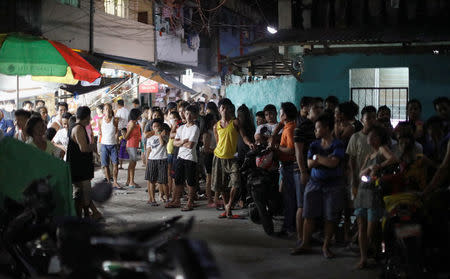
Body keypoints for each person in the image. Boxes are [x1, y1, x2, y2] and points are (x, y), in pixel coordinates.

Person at [294, 113, 345, 259]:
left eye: (317, 128)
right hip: (314, 183)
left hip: (333, 185)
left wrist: (318, 158)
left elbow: (333, 163)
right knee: (308, 214)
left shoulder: (338, 144)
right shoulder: (314, 145)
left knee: (330, 216)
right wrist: (323, 159)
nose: (315, 131)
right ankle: (305, 243)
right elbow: (310, 164)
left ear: (326, 128)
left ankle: (326, 246)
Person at [354, 125, 398, 269]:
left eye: (374, 136)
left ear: (380, 138)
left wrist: (379, 166)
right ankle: (363, 257)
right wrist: (368, 169)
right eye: (369, 136)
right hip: (362, 192)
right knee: (361, 227)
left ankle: (372, 252)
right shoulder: (368, 155)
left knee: (371, 229)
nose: (370, 139)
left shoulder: (381, 149)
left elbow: (393, 159)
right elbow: (360, 174)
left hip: (374, 193)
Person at [212, 98, 254, 218]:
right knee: (222, 186)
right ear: (219, 110)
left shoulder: (235, 123)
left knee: (236, 182)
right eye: (222, 108)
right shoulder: (216, 126)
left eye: (227, 108)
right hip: (219, 158)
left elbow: (244, 136)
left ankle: (229, 205)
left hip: (232, 158)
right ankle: (228, 210)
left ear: (230, 109)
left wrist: (249, 143)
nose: (225, 110)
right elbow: (218, 142)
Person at [291, 97, 323, 254]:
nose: (319, 110)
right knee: (302, 206)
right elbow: (298, 152)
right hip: (301, 170)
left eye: (321, 108)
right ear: (308, 109)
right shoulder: (302, 127)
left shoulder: (316, 126)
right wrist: (303, 171)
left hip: (313, 170)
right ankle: (300, 239)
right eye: (316, 108)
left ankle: (307, 237)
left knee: (309, 205)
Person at [67, 106, 102, 219]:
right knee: (83, 194)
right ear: (87, 117)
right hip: (79, 168)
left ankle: (88, 215)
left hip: (80, 167)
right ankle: (82, 218)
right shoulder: (78, 128)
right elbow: (83, 148)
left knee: (81, 194)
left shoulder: (75, 126)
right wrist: (93, 146)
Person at [166, 105, 201, 211]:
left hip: (190, 158)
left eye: (191, 114)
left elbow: (190, 145)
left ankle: (190, 202)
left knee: (190, 182)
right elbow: (175, 143)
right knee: (178, 180)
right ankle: (176, 200)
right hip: (180, 156)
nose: (188, 116)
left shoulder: (195, 128)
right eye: (186, 113)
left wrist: (181, 143)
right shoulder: (181, 128)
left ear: (195, 116)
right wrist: (183, 141)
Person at [275, 102, 298, 237]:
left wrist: (278, 147)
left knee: (289, 199)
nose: (279, 114)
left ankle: (289, 227)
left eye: (280, 112)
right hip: (287, 166)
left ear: (285, 114)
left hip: (289, 166)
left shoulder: (289, 129)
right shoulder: (288, 126)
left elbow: (290, 149)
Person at [347, 106, 377, 201]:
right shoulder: (355, 137)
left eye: (374, 117)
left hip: (374, 176)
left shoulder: (379, 137)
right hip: (359, 175)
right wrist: (354, 176)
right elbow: (351, 159)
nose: (371, 120)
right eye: (368, 118)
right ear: (362, 120)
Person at [145, 118, 169, 206]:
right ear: (152, 128)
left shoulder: (165, 136)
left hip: (162, 159)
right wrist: (147, 162)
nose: (157, 128)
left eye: (158, 126)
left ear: (161, 127)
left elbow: (162, 144)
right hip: (152, 160)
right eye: (154, 127)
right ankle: (152, 199)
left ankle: (167, 198)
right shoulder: (150, 138)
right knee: (152, 181)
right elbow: (148, 150)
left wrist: (159, 135)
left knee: (164, 181)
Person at [99, 103, 121, 188]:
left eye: (109, 109)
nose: (107, 111)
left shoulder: (115, 120)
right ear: (103, 111)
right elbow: (100, 132)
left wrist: (117, 140)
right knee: (105, 165)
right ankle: (108, 182)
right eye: (106, 109)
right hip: (104, 145)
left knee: (115, 164)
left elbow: (116, 131)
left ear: (111, 110)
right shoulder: (100, 121)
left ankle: (115, 181)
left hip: (113, 145)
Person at [201, 113, 218, 207]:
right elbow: (206, 149)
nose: (216, 120)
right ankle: (210, 199)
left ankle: (215, 198)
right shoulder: (207, 133)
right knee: (209, 179)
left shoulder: (215, 130)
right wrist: (217, 151)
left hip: (215, 155)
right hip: (210, 157)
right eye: (214, 119)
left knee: (216, 178)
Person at [124, 108, 142, 188]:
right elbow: (126, 137)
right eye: (139, 114)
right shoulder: (132, 123)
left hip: (133, 145)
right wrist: (131, 128)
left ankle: (129, 181)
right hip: (131, 145)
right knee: (132, 164)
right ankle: (131, 182)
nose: (140, 116)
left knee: (132, 164)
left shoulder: (135, 123)